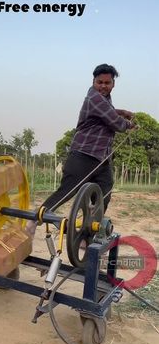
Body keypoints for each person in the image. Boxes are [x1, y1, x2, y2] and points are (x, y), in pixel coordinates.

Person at [26, 63, 137, 237]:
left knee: (103, 194)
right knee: (67, 191)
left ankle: (87, 235)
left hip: (101, 158)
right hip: (83, 155)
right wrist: (129, 124)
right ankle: (34, 219)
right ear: (94, 81)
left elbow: (108, 111)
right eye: (99, 82)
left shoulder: (104, 100)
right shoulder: (94, 97)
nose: (103, 86)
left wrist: (121, 111)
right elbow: (116, 123)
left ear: (113, 84)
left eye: (107, 83)